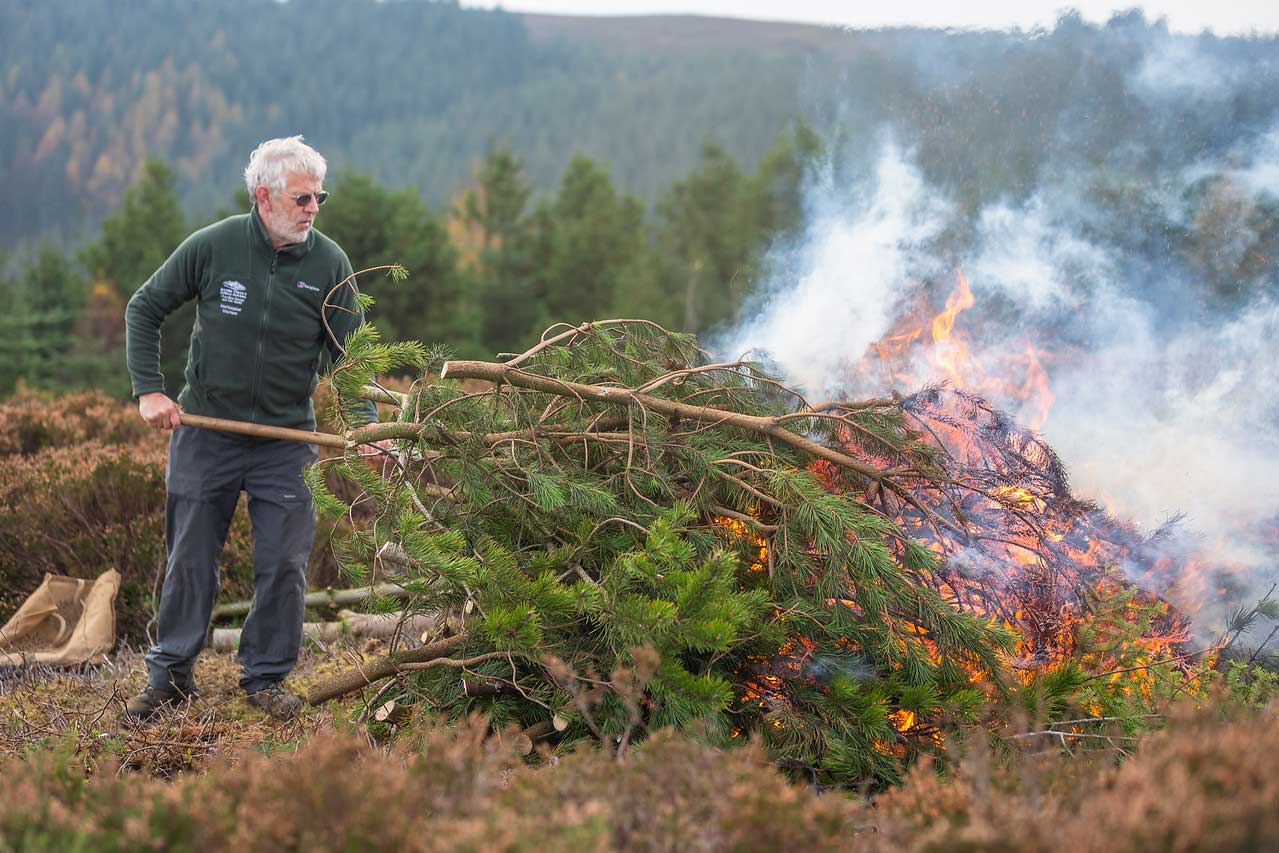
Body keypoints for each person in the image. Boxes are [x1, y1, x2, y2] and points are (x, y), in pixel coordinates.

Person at [123, 136, 375, 721]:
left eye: (319, 197)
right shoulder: (214, 247)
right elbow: (145, 307)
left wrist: (367, 428)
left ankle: (264, 680)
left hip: (285, 443)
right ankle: (170, 677)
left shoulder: (329, 264)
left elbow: (352, 356)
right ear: (264, 197)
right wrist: (150, 390)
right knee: (189, 557)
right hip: (206, 433)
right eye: (301, 197)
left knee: (284, 562)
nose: (313, 208)